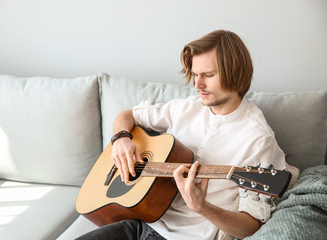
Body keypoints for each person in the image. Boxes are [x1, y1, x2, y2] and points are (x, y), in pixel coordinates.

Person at [76, 30, 287, 240]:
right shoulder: (186, 107)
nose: (197, 85)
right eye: (195, 75)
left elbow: (250, 228)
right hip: (141, 220)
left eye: (208, 75)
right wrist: (121, 138)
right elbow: (128, 115)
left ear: (236, 72)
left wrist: (201, 207)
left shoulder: (258, 139)